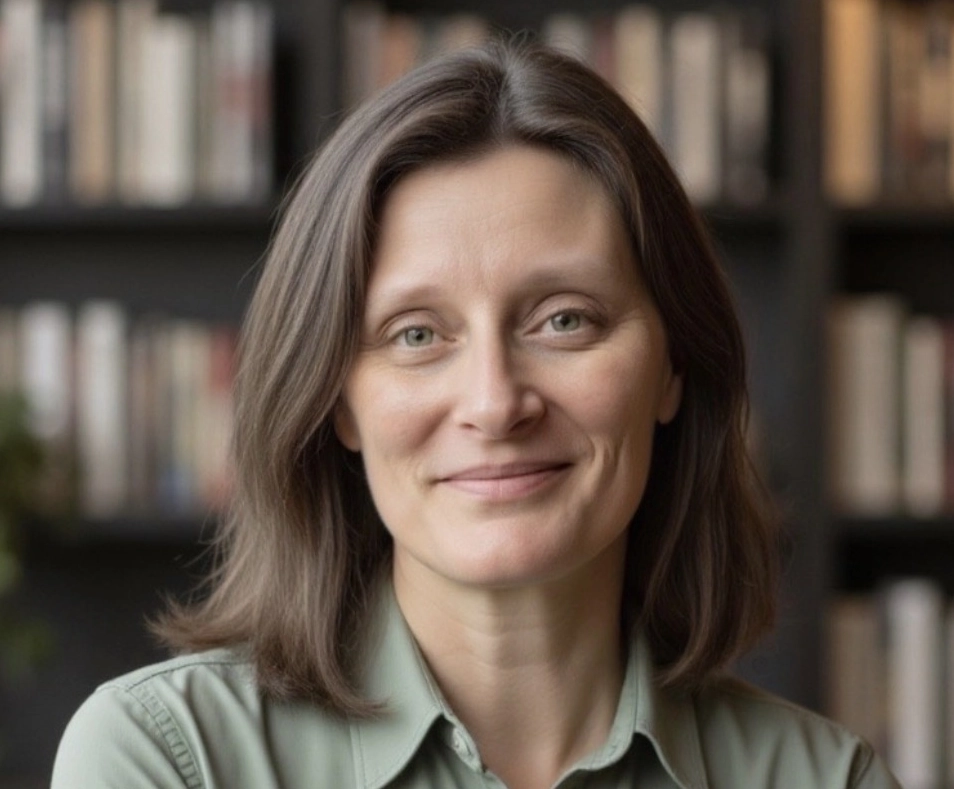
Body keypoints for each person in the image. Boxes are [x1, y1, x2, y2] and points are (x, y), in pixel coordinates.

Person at [52, 39, 899, 789]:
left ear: (673, 365)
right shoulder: (169, 762)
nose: (495, 402)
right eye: (416, 333)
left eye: (565, 318)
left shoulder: (827, 777)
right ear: (337, 400)